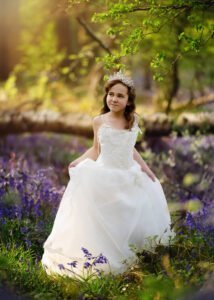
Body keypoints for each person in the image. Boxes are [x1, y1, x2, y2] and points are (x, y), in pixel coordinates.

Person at [41, 70, 175, 279]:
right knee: (104, 218)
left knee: (128, 213)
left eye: (120, 95)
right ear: (106, 96)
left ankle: (133, 254)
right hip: (104, 175)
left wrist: (146, 170)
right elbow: (96, 149)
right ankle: (103, 256)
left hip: (126, 174)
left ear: (129, 100)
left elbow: (129, 148)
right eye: (111, 94)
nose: (114, 98)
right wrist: (79, 161)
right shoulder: (99, 121)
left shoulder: (133, 121)